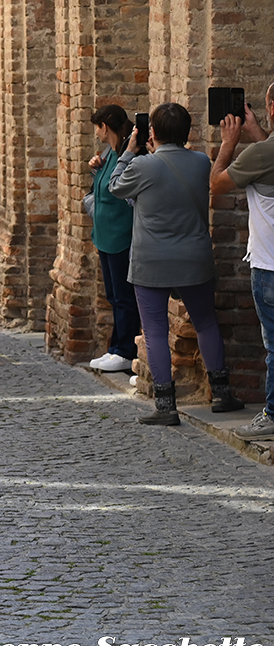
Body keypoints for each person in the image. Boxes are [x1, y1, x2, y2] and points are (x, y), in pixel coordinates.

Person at [109, 102, 244, 425]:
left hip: (151, 260)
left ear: (151, 133)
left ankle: (166, 406)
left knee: (155, 330)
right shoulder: (200, 162)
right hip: (193, 257)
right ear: (188, 132)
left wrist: (129, 151)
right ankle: (222, 393)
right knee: (206, 323)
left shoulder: (142, 166)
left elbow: (115, 186)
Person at [210, 87, 274, 440]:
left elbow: (217, 184)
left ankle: (273, 414)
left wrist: (229, 143)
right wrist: (255, 133)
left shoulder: (262, 154)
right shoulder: (264, 151)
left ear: (272, 107)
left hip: (269, 267)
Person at [86, 105, 143, 373]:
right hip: (105, 235)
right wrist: (95, 168)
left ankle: (125, 350)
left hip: (121, 234)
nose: (95, 132)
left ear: (104, 127)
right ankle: (115, 346)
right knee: (114, 294)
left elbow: (119, 187)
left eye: (96, 127)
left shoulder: (127, 154)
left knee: (124, 296)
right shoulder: (108, 154)